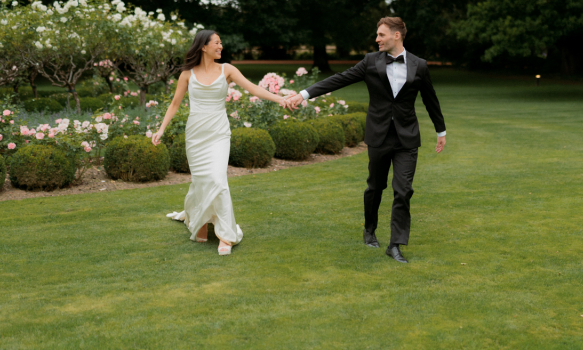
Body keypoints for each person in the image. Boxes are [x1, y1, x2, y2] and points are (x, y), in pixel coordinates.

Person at [286, 17, 446, 263]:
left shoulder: (419, 65)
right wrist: (304, 94)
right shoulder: (370, 61)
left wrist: (440, 131)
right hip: (379, 136)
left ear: (396, 36)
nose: (377, 39)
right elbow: (339, 79)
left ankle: (395, 245)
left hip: (407, 138)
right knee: (375, 187)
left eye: (381, 34)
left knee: (403, 191)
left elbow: (430, 99)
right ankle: (369, 230)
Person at [153, 30, 293, 255]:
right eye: (216, 43)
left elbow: (253, 88)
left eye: (221, 43)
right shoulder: (187, 74)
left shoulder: (227, 69)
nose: (221, 46)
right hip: (196, 135)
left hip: (218, 133)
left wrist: (281, 99)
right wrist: (161, 129)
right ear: (203, 47)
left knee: (218, 180)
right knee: (201, 180)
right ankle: (201, 224)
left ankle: (226, 236)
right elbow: (174, 104)